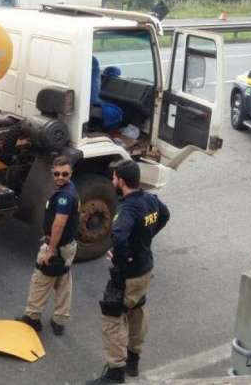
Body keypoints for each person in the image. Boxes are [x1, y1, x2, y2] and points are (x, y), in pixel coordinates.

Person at [87, 160, 170, 384]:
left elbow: (119, 236)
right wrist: (145, 239)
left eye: (114, 178)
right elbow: (165, 215)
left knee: (113, 318)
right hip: (145, 268)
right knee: (137, 312)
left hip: (129, 274)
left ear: (121, 181)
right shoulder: (150, 200)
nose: (113, 181)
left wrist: (121, 257)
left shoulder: (128, 208)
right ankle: (133, 360)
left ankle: (115, 371)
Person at [17, 155, 80, 336]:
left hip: (57, 247)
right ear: (53, 172)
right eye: (57, 173)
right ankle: (59, 320)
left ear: (71, 173)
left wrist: (50, 250)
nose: (61, 177)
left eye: (65, 174)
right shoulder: (70, 188)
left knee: (40, 280)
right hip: (68, 246)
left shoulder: (64, 197)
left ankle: (32, 318)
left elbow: (59, 224)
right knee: (63, 282)